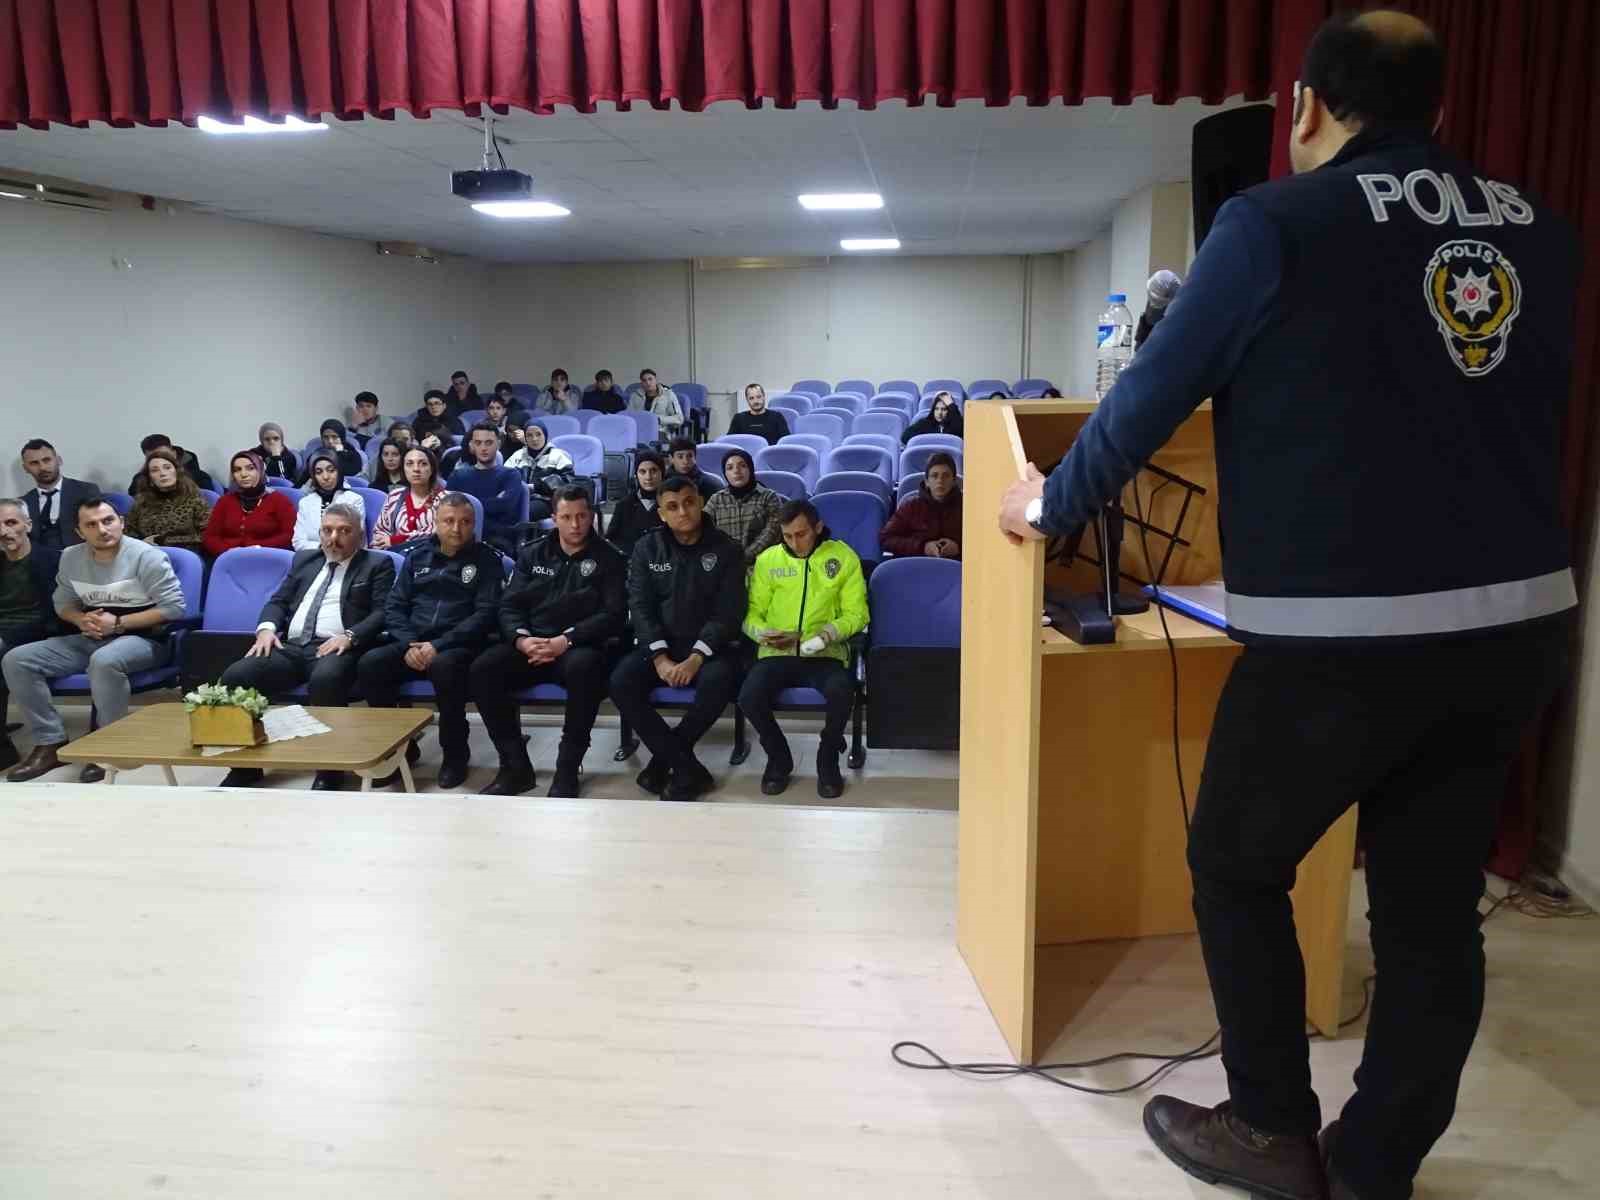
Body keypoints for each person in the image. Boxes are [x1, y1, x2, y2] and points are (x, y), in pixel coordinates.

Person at [997, 14, 1579, 1200]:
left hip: (1344, 641)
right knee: (1429, 912)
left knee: (1234, 862)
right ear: (1439, 111)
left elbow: (1150, 396)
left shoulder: (1272, 221)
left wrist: (1048, 503)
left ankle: (1271, 1129)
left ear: (1305, 105)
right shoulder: (1539, 227)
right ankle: (1374, 1164)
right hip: (1517, 625)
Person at [3, 495, 186, 782]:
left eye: (108, 520)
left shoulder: (146, 556)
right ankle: (50, 741)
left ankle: (109, 744)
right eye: (91, 524)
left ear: (122, 523)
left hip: (145, 640)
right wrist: (79, 618)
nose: (102, 529)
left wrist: (119, 623)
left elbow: (174, 608)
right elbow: (62, 603)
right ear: (79, 532)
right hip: (91, 635)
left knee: (104, 661)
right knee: (17, 659)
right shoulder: (71, 557)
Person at [216, 502, 393, 790]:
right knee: (237, 675)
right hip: (292, 647)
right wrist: (266, 630)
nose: (333, 538)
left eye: (343, 531)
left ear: (359, 536)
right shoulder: (305, 561)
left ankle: (330, 768)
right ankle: (245, 767)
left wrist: (350, 636)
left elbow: (382, 611)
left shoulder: (376, 564)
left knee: (326, 679)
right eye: (327, 530)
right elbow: (278, 601)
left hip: (337, 646)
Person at [471, 486, 628, 797]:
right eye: (566, 517)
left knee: (586, 669)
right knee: (483, 669)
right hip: (531, 644)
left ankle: (567, 768)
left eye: (582, 516)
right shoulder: (532, 553)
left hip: (578, 647)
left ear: (592, 516)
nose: (575, 524)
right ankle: (515, 767)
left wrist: (565, 640)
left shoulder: (610, 557)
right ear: (554, 518)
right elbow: (509, 605)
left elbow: (614, 615)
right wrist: (521, 639)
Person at [608, 477, 746, 803]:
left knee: (719, 681)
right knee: (620, 682)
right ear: (661, 514)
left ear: (700, 502)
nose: (682, 511)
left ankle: (663, 762)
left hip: (710, 649)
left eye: (688, 502)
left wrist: (696, 657)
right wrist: (660, 658)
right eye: (672, 506)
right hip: (661, 647)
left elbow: (729, 612)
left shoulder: (727, 549)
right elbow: (640, 607)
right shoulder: (646, 548)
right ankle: (686, 769)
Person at [357, 493, 504, 791]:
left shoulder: (487, 560)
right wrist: (410, 643)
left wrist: (439, 645)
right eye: (448, 521)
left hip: (458, 645)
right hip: (413, 642)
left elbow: (485, 614)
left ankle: (455, 756)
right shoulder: (417, 556)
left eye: (465, 522)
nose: (456, 529)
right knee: (371, 665)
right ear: (435, 523)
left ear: (474, 524)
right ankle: (400, 749)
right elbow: (394, 606)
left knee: (444, 668)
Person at [739, 500, 868, 798]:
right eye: (787, 536)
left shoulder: (842, 557)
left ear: (817, 527)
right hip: (776, 653)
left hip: (825, 653)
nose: (794, 542)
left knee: (840, 692)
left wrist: (823, 636)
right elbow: (751, 614)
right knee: (748, 697)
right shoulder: (768, 560)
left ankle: (827, 758)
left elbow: (857, 613)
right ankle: (778, 758)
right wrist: (763, 634)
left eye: (801, 534)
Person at [0, 499, 64, 771]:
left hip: (38, 632)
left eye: (11, 522)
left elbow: (55, 614)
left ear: (28, 524)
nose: (4, 531)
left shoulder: (53, 559)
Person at [446, 423, 524, 555]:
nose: (483, 448)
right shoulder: (458, 475)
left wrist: (465, 506)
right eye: (478, 443)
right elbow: (447, 509)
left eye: (489, 443)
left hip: (497, 540)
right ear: (471, 446)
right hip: (459, 536)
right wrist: (493, 501)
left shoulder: (511, 474)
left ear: (498, 444)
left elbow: (505, 506)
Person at [202, 450, 296, 557]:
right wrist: (228, 551)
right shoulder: (225, 501)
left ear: (260, 470)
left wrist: (258, 548)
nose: (243, 474)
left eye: (250, 468)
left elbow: (289, 535)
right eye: (237, 470)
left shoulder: (279, 500)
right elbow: (210, 537)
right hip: (229, 558)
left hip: (268, 557)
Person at [704, 448, 783, 566]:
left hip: (761, 564)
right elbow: (704, 530)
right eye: (730, 468)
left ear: (750, 469)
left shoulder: (769, 497)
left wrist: (744, 557)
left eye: (742, 466)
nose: (736, 471)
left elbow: (773, 532)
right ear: (725, 474)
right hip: (724, 564)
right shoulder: (716, 500)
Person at [123, 447, 210, 552]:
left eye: (167, 468)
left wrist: (165, 541)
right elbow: (128, 533)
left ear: (177, 471)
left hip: (186, 553)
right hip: (148, 554)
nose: (162, 473)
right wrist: (142, 542)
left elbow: (207, 534)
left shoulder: (194, 497)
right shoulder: (141, 501)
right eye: (155, 470)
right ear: (150, 478)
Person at [18, 439, 97, 550]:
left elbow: (96, 527)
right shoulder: (23, 503)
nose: (42, 468)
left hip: (80, 557)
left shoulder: (86, 491)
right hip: (38, 563)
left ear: (59, 460)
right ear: (26, 468)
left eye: (47, 460)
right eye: (34, 463)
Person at [882, 452, 962, 559]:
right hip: (916, 566)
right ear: (927, 482)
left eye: (946, 476)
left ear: (953, 481)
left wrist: (959, 547)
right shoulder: (910, 506)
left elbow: (983, 539)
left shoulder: (967, 506)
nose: (940, 481)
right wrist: (923, 547)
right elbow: (886, 538)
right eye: (934, 476)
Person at [371, 447, 444, 550]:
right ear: (403, 469)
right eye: (409, 464)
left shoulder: (445, 499)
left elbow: (434, 533)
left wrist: (395, 540)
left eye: (423, 464)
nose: (416, 469)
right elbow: (380, 531)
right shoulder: (395, 496)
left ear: (432, 469)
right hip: (396, 557)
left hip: (430, 558)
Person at [292, 450, 366, 552]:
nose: (325, 477)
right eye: (319, 472)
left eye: (331, 470)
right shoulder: (305, 502)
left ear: (339, 472)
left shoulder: (354, 500)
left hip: (347, 560)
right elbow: (298, 542)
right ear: (313, 476)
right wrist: (321, 547)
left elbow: (355, 540)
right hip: (313, 558)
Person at [505, 422, 574, 522]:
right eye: (529, 435)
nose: (534, 439)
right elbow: (505, 476)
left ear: (545, 436)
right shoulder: (518, 455)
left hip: (547, 500)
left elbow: (567, 480)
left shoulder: (558, 455)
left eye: (538, 434)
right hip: (518, 498)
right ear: (525, 437)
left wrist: (535, 487)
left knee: (524, 511)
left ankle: (523, 537)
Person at [605, 451, 666, 556]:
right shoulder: (624, 505)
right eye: (642, 472)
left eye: (654, 470)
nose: (648, 477)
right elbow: (612, 539)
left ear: (662, 473)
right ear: (636, 476)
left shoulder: (672, 504)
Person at [129, 434, 214, 494]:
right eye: (154, 457)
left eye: (165, 455)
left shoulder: (200, 478)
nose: (160, 460)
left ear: (174, 453)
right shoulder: (140, 479)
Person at [631, 369, 686, 437]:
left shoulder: (668, 395)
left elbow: (679, 418)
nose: (648, 383)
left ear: (656, 380)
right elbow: (629, 415)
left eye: (650, 379)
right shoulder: (635, 396)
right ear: (641, 383)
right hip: (639, 431)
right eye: (644, 380)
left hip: (660, 431)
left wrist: (658, 419)